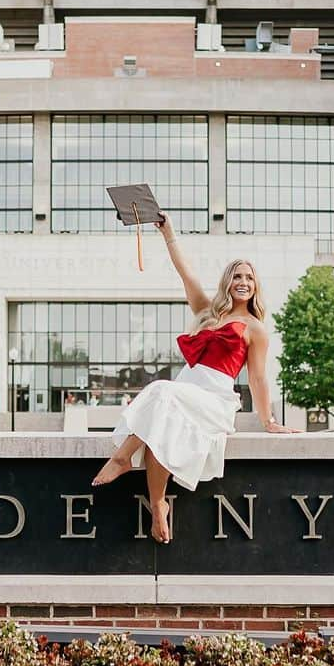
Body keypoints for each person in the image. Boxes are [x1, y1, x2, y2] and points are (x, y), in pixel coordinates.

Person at [92, 214, 294, 543]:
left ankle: (122, 457)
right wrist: (167, 230)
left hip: (214, 399)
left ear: (255, 286)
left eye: (249, 278)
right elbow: (183, 270)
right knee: (161, 430)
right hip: (187, 388)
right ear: (227, 282)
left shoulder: (256, 329)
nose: (243, 282)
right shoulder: (208, 312)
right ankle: (158, 505)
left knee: (159, 390)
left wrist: (268, 420)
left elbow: (257, 378)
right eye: (237, 276)